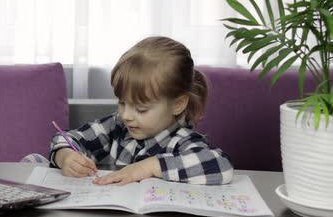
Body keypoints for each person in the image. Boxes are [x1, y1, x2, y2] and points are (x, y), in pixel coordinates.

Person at [24, 36, 233, 185]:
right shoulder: (118, 125)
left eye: (141, 109)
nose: (126, 115)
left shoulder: (182, 140)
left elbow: (220, 165)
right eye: (122, 103)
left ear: (178, 104)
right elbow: (69, 137)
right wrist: (66, 156)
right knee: (33, 160)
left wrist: (149, 166)